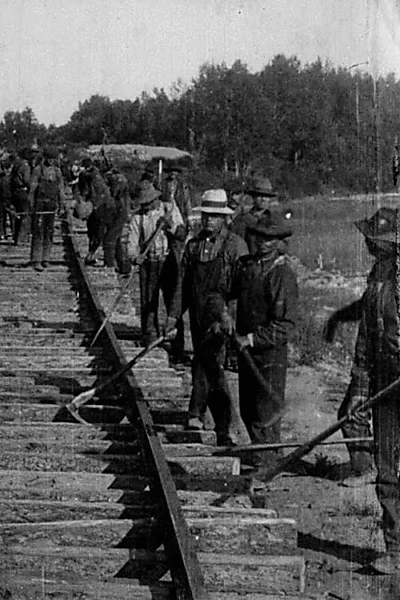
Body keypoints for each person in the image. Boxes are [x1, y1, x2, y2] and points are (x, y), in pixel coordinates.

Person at [342, 207, 400, 574]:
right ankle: (395, 551)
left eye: (374, 241)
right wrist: (361, 384)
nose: (368, 246)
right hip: (384, 383)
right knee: (388, 469)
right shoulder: (376, 277)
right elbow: (367, 334)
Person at [169, 189, 248, 445]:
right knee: (202, 363)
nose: (208, 221)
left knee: (212, 365)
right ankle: (204, 417)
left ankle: (217, 422)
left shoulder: (235, 246)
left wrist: (228, 317)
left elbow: (243, 288)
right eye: (205, 216)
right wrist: (172, 317)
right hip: (197, 314)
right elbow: (182, 283)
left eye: (214, 216)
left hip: (221, 315)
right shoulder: (193, 246)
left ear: (224, 218)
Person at [232, 212, 298, 481]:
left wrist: (251, 339)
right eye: (259, 237)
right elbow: (230, 292)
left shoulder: (282, 275)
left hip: (269, 354)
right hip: (246, 350)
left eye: (269, 240)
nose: (262, 243)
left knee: (266, 411)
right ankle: (263, 454)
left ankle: (267, 464)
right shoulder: (249, 268)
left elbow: (286, 325)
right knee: (248, 407)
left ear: (280, 242)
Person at [127, 180, 184, 345]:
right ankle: (150, 335)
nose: (145, 206)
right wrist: (134, 256)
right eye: (142, 203)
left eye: (147, 203)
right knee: (148, 301)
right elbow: (132, 240)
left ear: (154, 200)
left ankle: (176, 342)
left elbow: (182, 233)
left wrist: (170, 225)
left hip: (169, 261)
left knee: (172, 301)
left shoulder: (169, 209)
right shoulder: (138, 217)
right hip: (149, 263)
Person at [161, 164, 192, 364]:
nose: (172, 176)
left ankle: (178, 345)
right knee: (169, 298)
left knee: (176, 296)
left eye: (175, 173)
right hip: (165, 246)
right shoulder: (162, 187)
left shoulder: (184, 190)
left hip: (178, 245)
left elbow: (186, 217)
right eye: (170, 173)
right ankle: (171, 339)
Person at [28, 147, 65, 271]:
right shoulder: (38, 170)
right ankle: (36, 259)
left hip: (51, 204)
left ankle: (46, 258)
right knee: (38, 231)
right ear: (44, 158)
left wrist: (62, 206)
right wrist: (31, 205)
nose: (51, 161)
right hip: (40, 204)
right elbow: (32, 189)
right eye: (49, 159)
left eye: (53, 159)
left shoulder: (57, 172)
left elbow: (60, 190)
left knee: (49, 231)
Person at [79, 158, 117, 268]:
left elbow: (101, 194)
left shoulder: (95, 176)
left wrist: (92, 206)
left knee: (97, 232)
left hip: (100, 207)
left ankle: (92, 254)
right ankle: (91, 254)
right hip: (95, 207)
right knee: (93, 232)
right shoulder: (88, 176)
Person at [230, 176, 277, 251]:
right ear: (253, 197)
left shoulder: (275, 219)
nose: (263, 199)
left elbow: (284, 245)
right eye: (260, 195)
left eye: (267, 196)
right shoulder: (243, 220)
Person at [9, 147, 32, 245]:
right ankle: (22, 239)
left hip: (15, 191)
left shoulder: (16, 164)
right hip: (23, 191)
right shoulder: (25, 166)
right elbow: (27, 180)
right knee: (25, 215)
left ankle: (16, 236)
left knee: (17, 215)